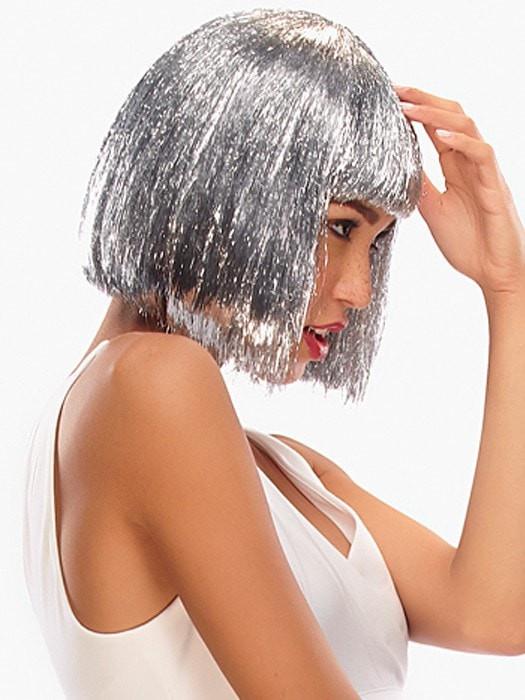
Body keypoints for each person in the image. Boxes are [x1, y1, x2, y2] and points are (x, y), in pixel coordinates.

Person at [22, 7, 525, 700]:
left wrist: (507, 289)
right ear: (223, 187)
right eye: (338, 227)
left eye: (375, 242)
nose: (359, 290)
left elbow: (495, 614)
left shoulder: (282, 467)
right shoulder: (148, 384)